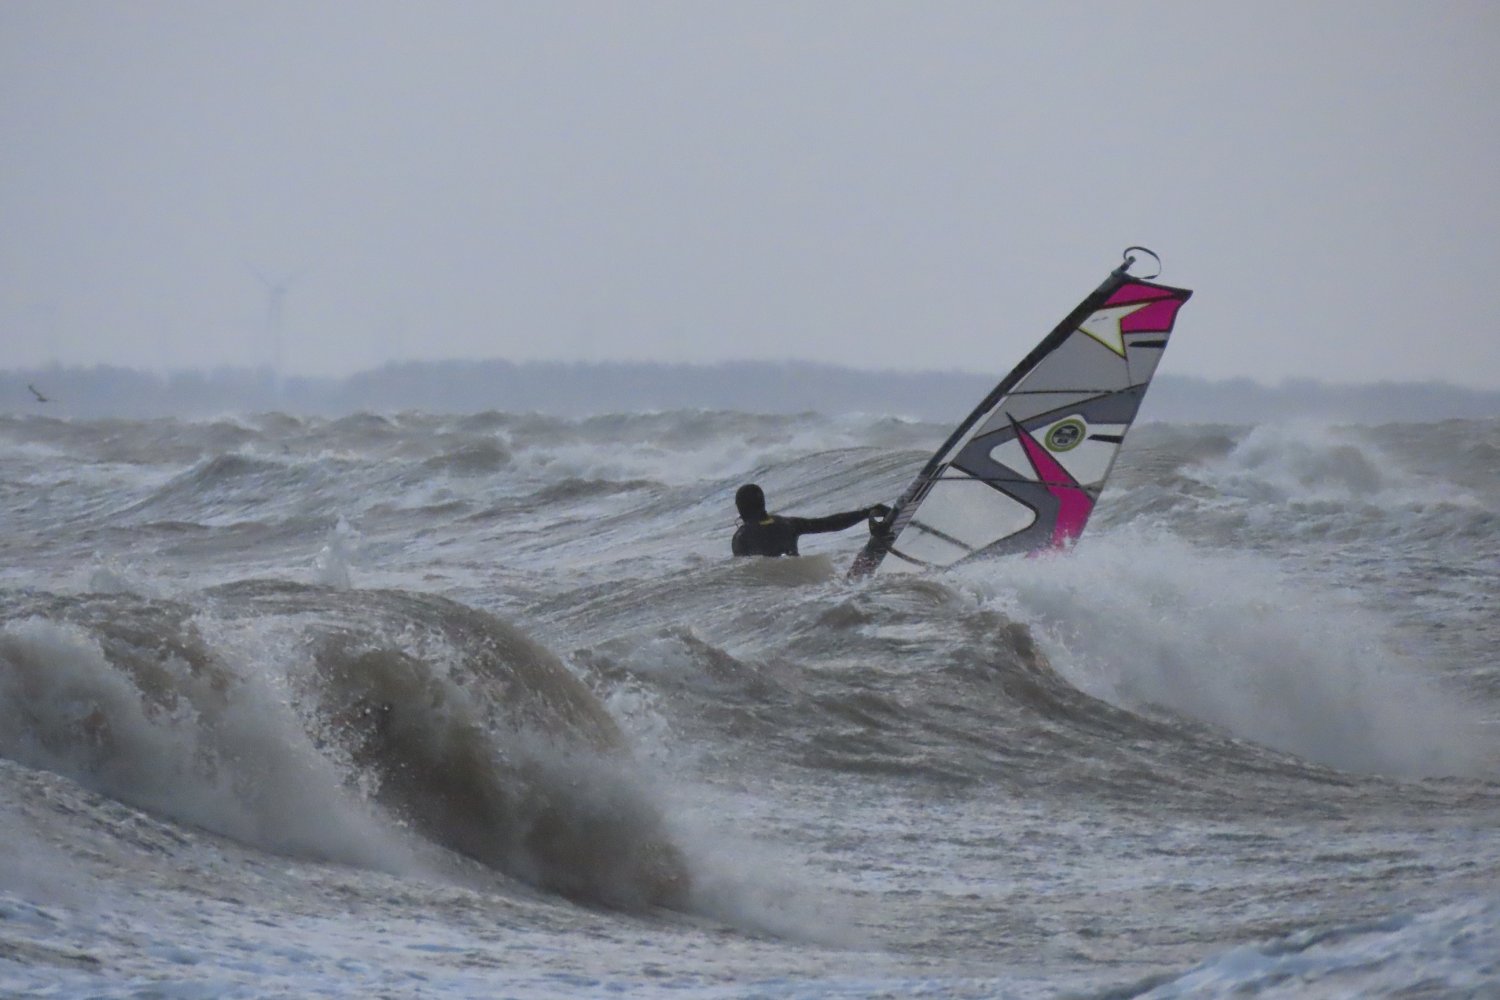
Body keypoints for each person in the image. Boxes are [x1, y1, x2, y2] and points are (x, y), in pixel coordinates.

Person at [731, 483, 890, 557]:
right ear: (763, 503)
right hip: (799, 581)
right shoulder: (788, 524)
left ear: (740, 509)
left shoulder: (741, 537)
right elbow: (829, 524)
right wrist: (866, 512)